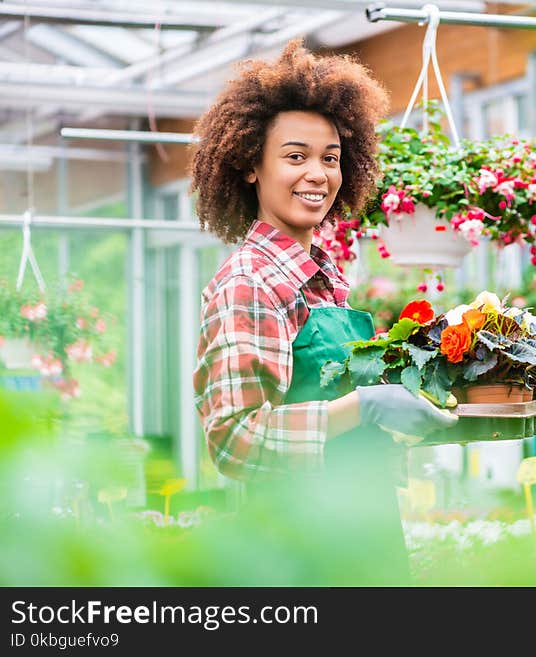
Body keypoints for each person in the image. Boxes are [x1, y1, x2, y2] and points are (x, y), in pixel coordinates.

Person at [190, 41, 457, 584]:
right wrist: (365, 406)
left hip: (363, 532)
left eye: (330, 158)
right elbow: (235, 440)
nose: (317, 174)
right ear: (248, 166)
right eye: (295, 156)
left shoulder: (325, 275)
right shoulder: (250, 282)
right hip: (297, 553)